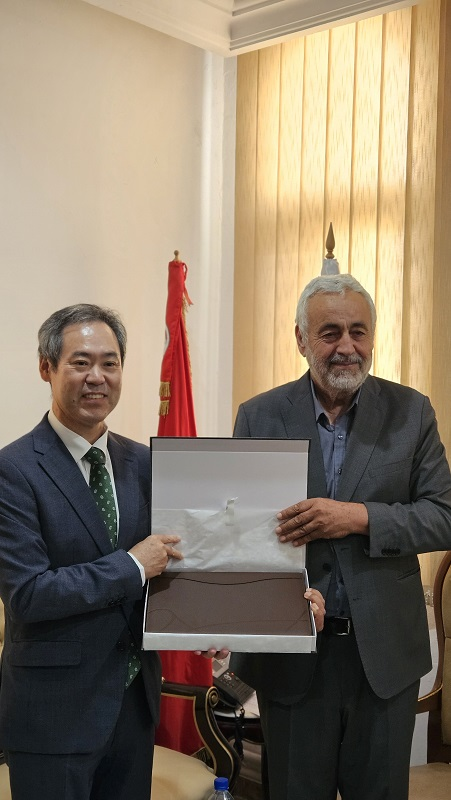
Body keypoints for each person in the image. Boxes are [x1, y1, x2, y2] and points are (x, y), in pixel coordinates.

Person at [231, 274, 451, 800]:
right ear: (301, 339)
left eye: (359, 331)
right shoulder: (259, 416)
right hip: (291, 655)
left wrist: (357, 518)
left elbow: (442, 515)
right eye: (330, 332)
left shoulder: (412, 411)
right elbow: (238, 530)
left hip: (384, 656)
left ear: (373, 336)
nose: (347, 346)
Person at [0, 304, 184, 800]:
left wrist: (207, 618)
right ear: (47, 368)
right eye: (80, 363)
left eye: (110, 363)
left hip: (134, 705)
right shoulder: (12, 470)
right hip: (53, 714)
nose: (97, 377)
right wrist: (132, 565)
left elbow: (170, 563)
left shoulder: (144, 462)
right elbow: (29, 594)